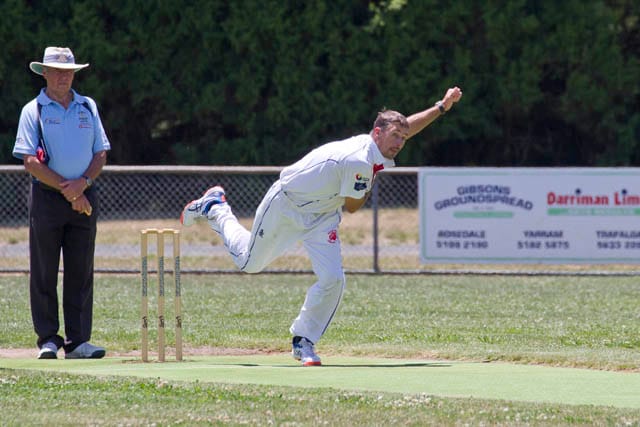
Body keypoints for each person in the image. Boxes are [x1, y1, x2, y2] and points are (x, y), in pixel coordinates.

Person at [181, 87, 462, 366]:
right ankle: (216, 208)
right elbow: (353, 206)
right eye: (395, 136)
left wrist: (441, 107)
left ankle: (303, 339)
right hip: (287, 205)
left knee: (333, 279)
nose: (400, 142)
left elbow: (407, 126)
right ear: (377, 133)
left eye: (403, 137)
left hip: (323, 215)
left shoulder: (376, 144)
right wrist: (372, 178)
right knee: (248, 263)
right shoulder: (359, 161)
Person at [13, 47, 111, 359]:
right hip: (47, 197)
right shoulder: (34, 110)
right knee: (44, 269)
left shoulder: (87, 106)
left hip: (85, 195)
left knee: (81, 269)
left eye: (68, 72)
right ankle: (48, 340)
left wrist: (84, 184)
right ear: (44, 73)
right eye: (56, 71)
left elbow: (100, 153)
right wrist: (71, 191)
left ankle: (78, 341)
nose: (63, 77)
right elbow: (30, 161)